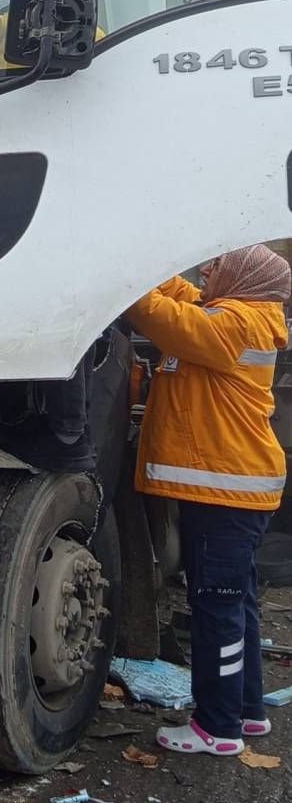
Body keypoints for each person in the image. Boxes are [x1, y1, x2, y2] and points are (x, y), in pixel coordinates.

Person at [126, 245, 291, 755]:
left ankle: (217, 729)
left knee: (215, 609)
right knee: (235, 602)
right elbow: (184, 297)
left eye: (217, 266)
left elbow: (162, 315)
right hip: (233, 490)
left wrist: (122, 274)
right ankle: (246, 710)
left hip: (226, 492)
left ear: (242, 277)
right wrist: (151, 266)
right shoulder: (241, 315)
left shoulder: (236, 324)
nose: (204, 271)